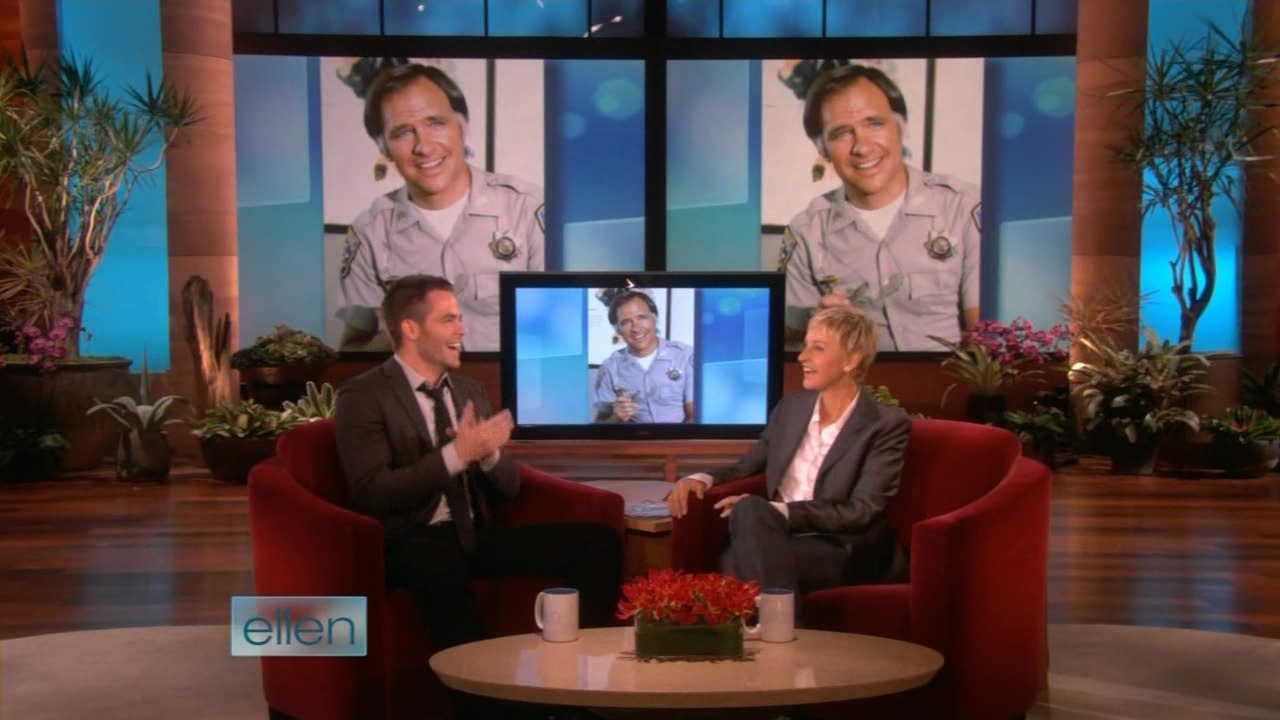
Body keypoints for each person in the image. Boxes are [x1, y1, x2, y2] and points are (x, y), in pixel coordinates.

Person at [334, 274, 621, 660]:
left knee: (598, 542)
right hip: (408, 540)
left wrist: (488, 455)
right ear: (411, 329)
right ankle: (477, 690)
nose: (462, 330)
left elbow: (510, 489)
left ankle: (580, 670)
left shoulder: (469, 391)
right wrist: (457, 455)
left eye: (460, 319)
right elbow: (372, 492)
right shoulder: (364, 395)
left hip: (473, 536)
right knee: (440, 564)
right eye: (448, 320)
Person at [668, 305, 911, 598]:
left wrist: (777, 511)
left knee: (737, 555)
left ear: (851, 360)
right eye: (805, 345)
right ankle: (784, 623)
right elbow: (745, 466)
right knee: (748, 528)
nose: (802, 357)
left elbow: (861, 511)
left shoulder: (884, 425)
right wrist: (701, 478)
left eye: (817, 348)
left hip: (840, 546)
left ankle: (768, 620)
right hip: (777, 537)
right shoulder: (790, 410)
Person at [337, 63, 545, 352]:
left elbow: (559, 331)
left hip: (507, 381)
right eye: (402, 133)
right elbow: (354, 349)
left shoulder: (527, 211)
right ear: (383, 147)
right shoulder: (369, 232)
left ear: (462, 127)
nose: (423, 146)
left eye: (435, 123)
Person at [780, 63, 981, 352]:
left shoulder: (962, 208)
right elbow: (787, 338)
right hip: (858, 379)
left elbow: (986, 335)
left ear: (900, 127)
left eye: (874, 124)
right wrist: (818, 322)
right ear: (822, 148)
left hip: (947, 378)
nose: (862, 147)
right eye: (841, 133)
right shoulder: (806, 232)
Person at [592, 290, 695, 423]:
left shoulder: (685, 356)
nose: (636, 328)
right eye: (626, 322)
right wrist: (616, 418)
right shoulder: (610, 367)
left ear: (654, 318)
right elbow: (600, 424)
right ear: (618, 330)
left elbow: (695, 417)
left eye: (641, 317)